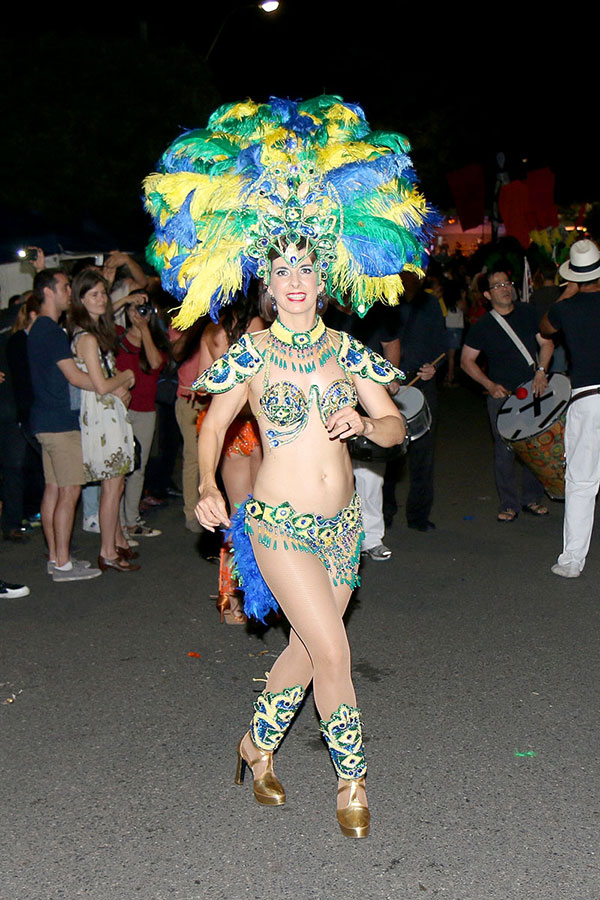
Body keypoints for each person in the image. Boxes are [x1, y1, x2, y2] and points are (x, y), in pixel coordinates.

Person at [145, 96, 436, 838]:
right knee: (335, 648)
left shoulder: (347, 351)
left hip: (342, 530)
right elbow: (211, 423)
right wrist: (209, 483)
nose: (297, 280)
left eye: (307, 267)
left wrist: (369, 423)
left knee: (308, 652)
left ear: (323, 275)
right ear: (267, 283)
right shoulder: (251, 352)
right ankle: (353, 783)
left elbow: (400, 422)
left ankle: (255, 745)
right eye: (283, 269)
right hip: (277, 526)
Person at [461, 268, 554, 522]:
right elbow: (466, 361)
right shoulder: (483, 326)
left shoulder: (528, 313)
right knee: (505, 450)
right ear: (487, 294)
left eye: (507, 283)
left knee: (535, 446)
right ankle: (508, 503)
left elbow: (547, 343)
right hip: (502, 396)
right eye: (498, 285)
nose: (505, 288)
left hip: (532, 390)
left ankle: (532, 499)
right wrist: (489, 385)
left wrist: (542, 371)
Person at [27, 270, 102, 581]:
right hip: (59, 423)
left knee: (55, 489)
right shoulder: (52, 332)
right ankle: (61, 564)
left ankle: (59, 557)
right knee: (69, 490)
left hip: (45, 419)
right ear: (48, 292)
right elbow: (74, 376)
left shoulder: (39, 329)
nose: (69, 291)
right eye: (64, 286)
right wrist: (105, 385)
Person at [195, 294, 264, 623]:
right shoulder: (259, 328)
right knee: (265, 512)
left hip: (227, 430)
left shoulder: (212, 333)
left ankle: (231, 602)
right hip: (259, 427)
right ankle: (266, 599)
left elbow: (202, 386)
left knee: (237, 516)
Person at [68, 270, 139, 573]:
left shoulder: (95, 334)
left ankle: (115, 542)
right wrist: (126, 377)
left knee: (117, 484)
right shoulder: (85, 337)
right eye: (93, 295)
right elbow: (100, 384)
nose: (100, 299)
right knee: (112, 486)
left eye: (102, 294)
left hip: (109, 412)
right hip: (101, 415)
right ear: (81, 300)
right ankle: (107, 551)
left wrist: (119, 384)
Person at [540, 240, 600, 577]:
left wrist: (568, 292)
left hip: (588, 397)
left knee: (581, 481)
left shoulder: (567, 308)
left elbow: (545, 328)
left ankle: (572, 561)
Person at [383, 272, 447, 532]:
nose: (414, 276)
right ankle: (384, 513)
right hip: (389, 385)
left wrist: (435, 368)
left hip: (422, 382)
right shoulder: (385, 301)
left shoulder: (430, 304)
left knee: (423, 454)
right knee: (388, 453)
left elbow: (440, 346)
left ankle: (418, 515)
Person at [115, 291, 170, 538]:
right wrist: (126, 301)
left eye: (142, 310)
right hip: (118, 409)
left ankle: (131, 521)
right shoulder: (116, 337)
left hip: (145, 411)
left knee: (138, 469)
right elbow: (98, 319)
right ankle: (115, 525)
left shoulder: (157, 340)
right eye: (133, 310)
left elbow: (156, 363)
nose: (137, 314)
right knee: (118, 469)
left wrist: (145, 328)